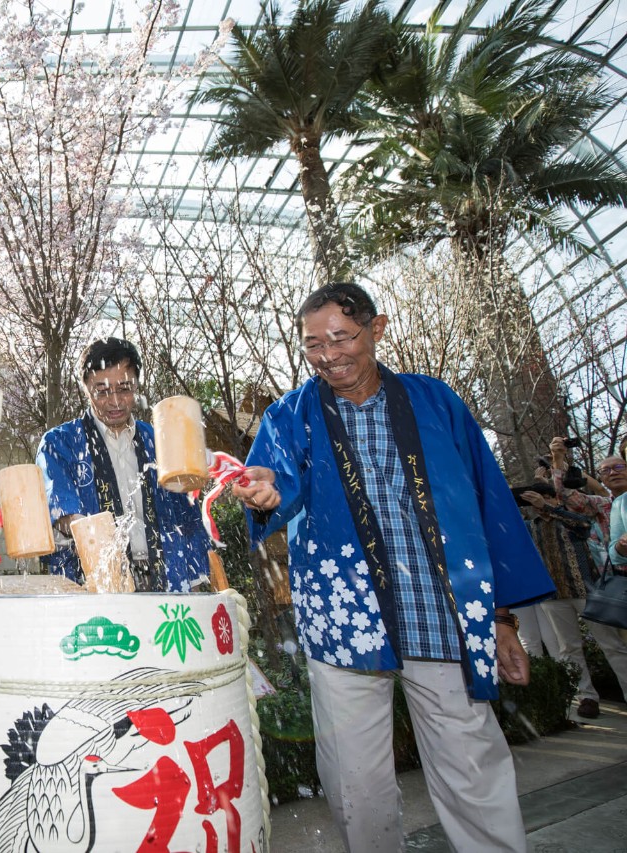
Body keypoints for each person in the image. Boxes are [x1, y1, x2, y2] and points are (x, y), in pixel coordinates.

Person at [230, 282, 554, 852]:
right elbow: (275, 478)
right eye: (311, 345)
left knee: (471, 764)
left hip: (441, 611)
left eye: (341, 338)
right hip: (343, 617)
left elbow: (487, 502)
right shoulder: (292, 413)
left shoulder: (435, 402)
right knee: (356, 781)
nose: (328, 356)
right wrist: (264, 493)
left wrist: (501, 619)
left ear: (376, 330)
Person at [35, 337, 210, 592]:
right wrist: (92, 537)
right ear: (85, 388)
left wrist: (196, 581)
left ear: (137, 384)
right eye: (102, 391)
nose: (115, 401)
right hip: (94, 579)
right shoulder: (60, 443)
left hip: (165, 576)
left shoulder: (159, 441)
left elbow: (186, 515)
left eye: (124, 388)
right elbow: (61, 510)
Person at [516, 464, 627, 719]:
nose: (538, 503)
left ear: (555, 498)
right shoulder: (531, 528)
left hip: (585, 589)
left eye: (545, 497)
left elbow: (584, 526)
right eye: (535, 500)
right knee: (568, 649)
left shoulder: (571, 520)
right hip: (554, 597)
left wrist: (550, 508)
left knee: (611, 645)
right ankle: (587, 697)